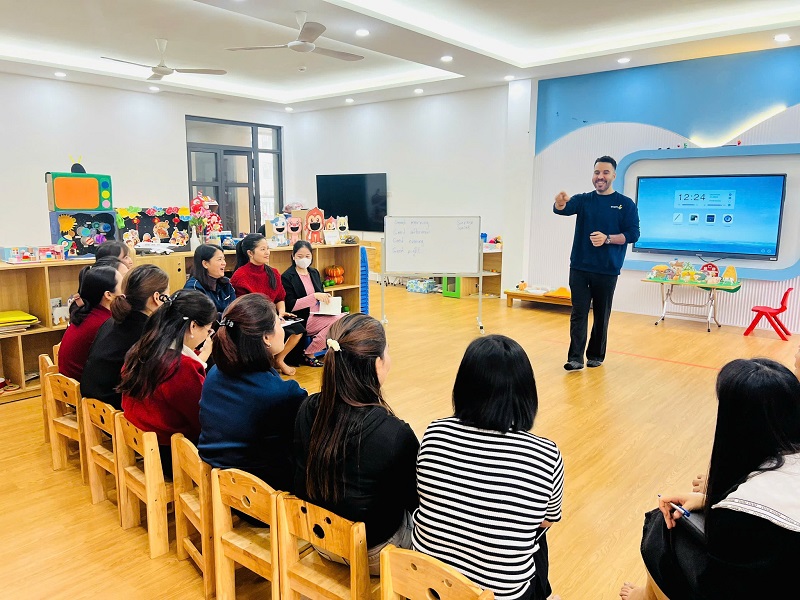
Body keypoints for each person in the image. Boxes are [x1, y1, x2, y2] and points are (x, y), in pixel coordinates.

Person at [621, 358, 800, 600]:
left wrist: (722, 504)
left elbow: (718, 585)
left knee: (660, 527)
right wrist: (711, 499)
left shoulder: (740, 515)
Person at [413, 335, 564, 600]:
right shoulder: (545, 454)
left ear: (463, 386)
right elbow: (548, 520)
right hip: (500, 595)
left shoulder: (435, 432)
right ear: (526, 393)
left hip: (424, 586)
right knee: (536, 540)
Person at [293, 313, 418, 575]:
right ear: (377, 364)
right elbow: (414, 501)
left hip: (320, 538)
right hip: (372, 553)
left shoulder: (308, 408)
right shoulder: (394, 434)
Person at [198, 294, 307, 492]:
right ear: (265, 337)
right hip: (258, 493)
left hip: (215, 480)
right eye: (279, 322)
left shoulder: (215, 372)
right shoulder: (282, 394)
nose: (283, 328)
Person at [553, 155, 640, 371]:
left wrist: (607, 238)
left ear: (614, 176)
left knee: (601, 315)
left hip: (607, 269)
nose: (600, 177)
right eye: (596, 172)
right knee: (579, 313)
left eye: (605, 172)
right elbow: (562, 209)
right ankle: (575, 358)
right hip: (580, 267)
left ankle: (596, 355)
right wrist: (560, 202)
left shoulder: (626, 204)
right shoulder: (583, 200)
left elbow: (633, 234)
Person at [119, 290, 216, 477]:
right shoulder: (181, 367)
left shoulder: (144, 346)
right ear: (193, 326)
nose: (207, 335)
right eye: (208, 330)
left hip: (140, 439)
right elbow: (200, 420)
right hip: (170, 454)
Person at [81, 264, 169, 409]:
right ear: (157, 298)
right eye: (167, 296)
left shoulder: (113, 320)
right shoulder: (147, 333)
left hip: (92, 401)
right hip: (114, 408)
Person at [230, 233, 304, 376]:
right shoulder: (240, 276)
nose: (267, 252)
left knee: (298, 329)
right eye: (262, 249)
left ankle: (279, 359)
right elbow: (243, 307)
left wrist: (281, 312)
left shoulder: (273, 273)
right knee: (267, 334)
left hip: (273, 316)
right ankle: (266, 365)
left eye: (268, 248)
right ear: (250, 253)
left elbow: (280, 297)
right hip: (254, 319)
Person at [282, 240, 345, 368]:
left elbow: (320, 293)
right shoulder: (287, 277)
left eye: (307, 256)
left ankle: (319, 347)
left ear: (311, 256)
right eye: (300, 256)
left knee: (344, 317)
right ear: (293, 256)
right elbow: (291, 305)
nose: (304, 259)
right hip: (304, 317)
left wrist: (325, 297)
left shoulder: (314, 272)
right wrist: (314, 296)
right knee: (337, 320)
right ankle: (310, 353)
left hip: (320, 313)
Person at [58, 265, 121, 381]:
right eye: (122, 286)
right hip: (84, 386)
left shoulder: (87, 313)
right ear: (108, 295)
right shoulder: (104, 322)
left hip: (68, 384)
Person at [184, 243, 235, 317]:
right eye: (219, 259)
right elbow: (204, 317)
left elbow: (235, 310)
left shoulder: (226, 284)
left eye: (224, 259)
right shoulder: (193, 288)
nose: (224, 263)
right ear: (205, 264)